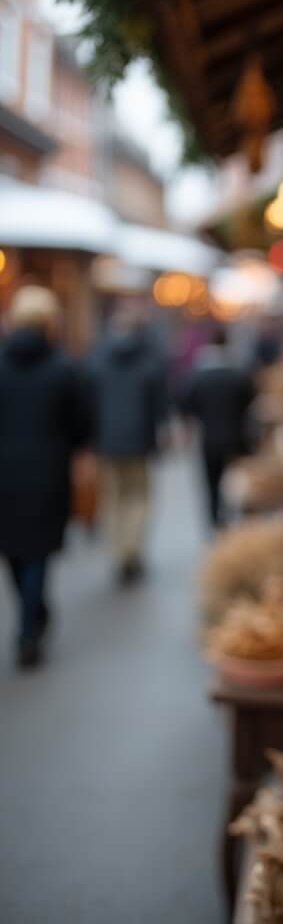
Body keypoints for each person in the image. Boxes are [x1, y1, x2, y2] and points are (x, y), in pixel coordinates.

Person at [0, 286, 91, 668]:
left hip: (3, 473)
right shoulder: (63, 367)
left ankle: (30, 614)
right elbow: (80, 425)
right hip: (48, 471)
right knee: (37, 552)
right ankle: (30, 623)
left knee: (14, 552)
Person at [88, 305, 167, 584]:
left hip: (108, 442)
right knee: (139, 497)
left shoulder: (98, 361)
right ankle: (132, 549)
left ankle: (120, 551)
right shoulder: (148, 361)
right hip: (139, 442)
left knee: (114, 498)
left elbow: (90, 404)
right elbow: (159, 406)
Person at [180, 326, 255, 527]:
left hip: (209, 438)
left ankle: (215, 521)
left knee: (212, 482)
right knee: (235, 481)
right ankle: (235, 518)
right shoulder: (238, 372)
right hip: (236, 436)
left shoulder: (199, 376)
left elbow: (187, 404)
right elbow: (249, 400)